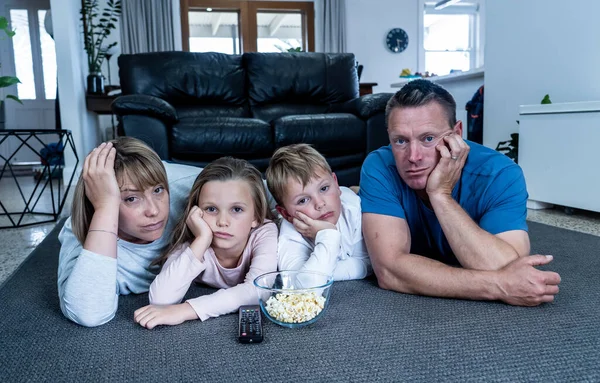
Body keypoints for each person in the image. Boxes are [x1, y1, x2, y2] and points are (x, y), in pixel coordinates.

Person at [360, 79, 561, 306]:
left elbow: (506, 265)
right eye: (400, 141)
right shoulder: (379, 165)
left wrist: (440, 195)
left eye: (428, 139)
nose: (413, 156)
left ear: (456, 133)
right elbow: (390, 271)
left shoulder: (501, 174)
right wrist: (498, 285)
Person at [58, 137, 202, 327]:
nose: (154, 211)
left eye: (158, 190)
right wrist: (105, 207)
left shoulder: (184, 185)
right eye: (131, 199)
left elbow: (247, 185)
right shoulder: (80, 238)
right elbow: (87, 313)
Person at [134, 157, 278, 329]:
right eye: (211, 209)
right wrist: (202, 239)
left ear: (256, 216)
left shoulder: (264, 232)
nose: (222, 221)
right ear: (196, 213)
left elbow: (258, 290)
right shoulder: (195, 244)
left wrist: (185, 311)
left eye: (237, 209)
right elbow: (160, 299)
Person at [265, 144, 371, 281]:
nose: (320, 203)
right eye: (303, 200)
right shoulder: (289, 236)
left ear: (336, 184)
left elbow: (369, 263)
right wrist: (328, 235)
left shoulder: (353, 207)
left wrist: (322, 272)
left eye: (324, 188)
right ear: (286, 214)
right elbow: (305, 286)